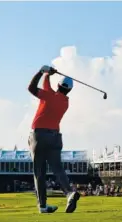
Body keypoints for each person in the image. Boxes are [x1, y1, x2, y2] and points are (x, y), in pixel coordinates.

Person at [28, 65, 80, 214]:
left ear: (58, 85)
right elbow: (47, 87)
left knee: (39, 172)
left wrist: (42, 72)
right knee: (58, 168)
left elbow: (31, 88)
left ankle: (43, 206)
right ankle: (69, 193)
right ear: (69, 90)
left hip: (39, 136)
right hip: (55, 137)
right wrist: (46, 75)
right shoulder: (65, 102)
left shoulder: (49, 95)